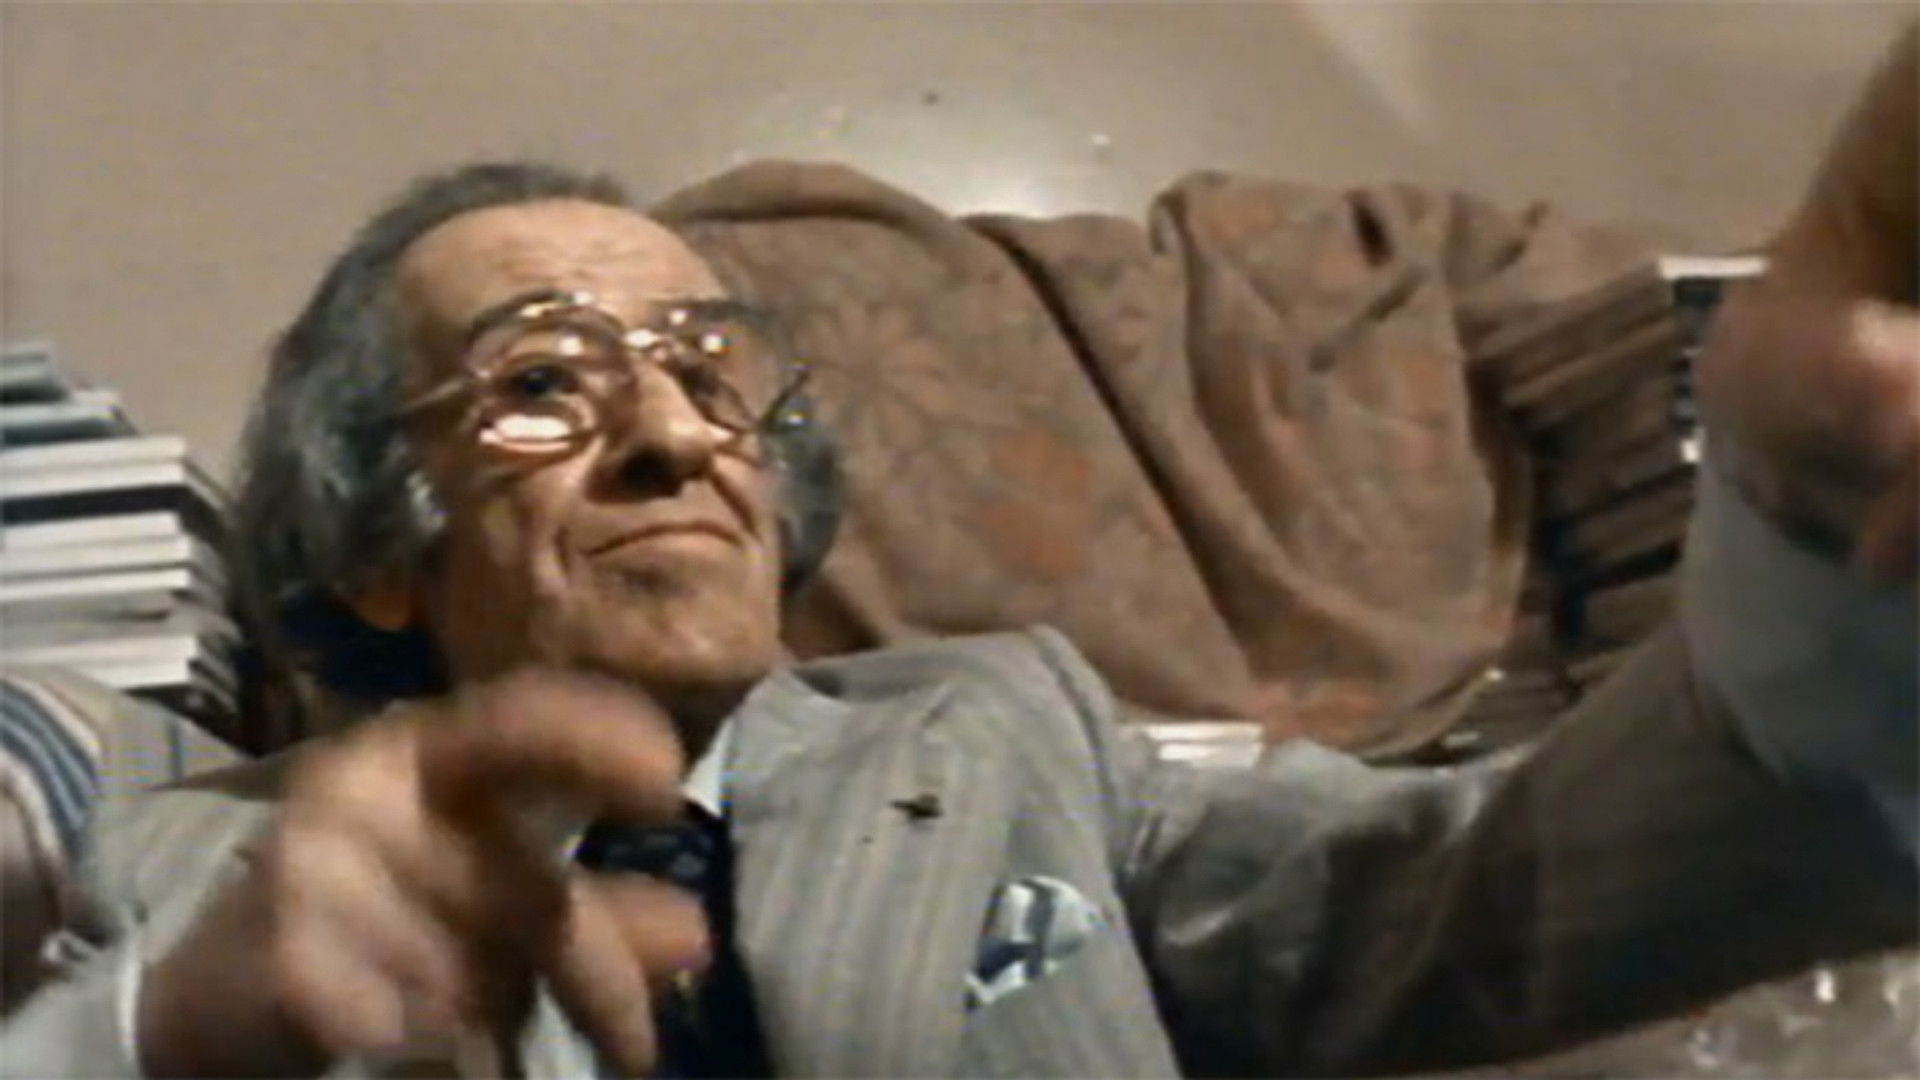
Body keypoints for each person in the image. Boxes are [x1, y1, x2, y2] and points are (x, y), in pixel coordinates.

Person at [2, 26, 1914, 1079]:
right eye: (541, 386)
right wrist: (151, 1040)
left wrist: (1815, 549)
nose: (673, 434)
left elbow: (1485, 902)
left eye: (713, 373)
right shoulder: (175, 861)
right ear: (377, 550)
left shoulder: (1012, 735)